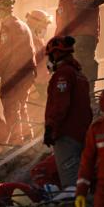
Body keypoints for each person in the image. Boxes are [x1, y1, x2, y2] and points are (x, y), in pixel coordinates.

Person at [43, 36, 93, 187]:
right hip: (81, 134)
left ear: (56, 54)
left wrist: (50, 128)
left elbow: (60, 105)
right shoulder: (80, 75)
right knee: (82, 179)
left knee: (71, 183)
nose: (50, 60)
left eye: (50, 56)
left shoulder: (63, 75)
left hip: (66, 136)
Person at [0, 0, 37, 144]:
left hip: (13, 73)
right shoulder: (22, 25)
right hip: (27, 72)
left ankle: (16, 140)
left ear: (1, 13)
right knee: (21, 105)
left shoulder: (7, 28)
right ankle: (27, 136)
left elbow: (4, 56)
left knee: (10, 106)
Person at [51, 0, 100, 84]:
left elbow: (61, 27)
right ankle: (90, 98)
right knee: (88, 71)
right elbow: (97, 27)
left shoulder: (65, 2)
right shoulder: (92, 1)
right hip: (89, 42)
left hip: (73, 42)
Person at [25, 9, 53, 102]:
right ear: (33, 25)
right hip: (34, 91)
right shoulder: (25, 43)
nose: (44, 29)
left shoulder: (40, 42)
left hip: (44, 88)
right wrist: (33, 90)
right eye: (43, 26)